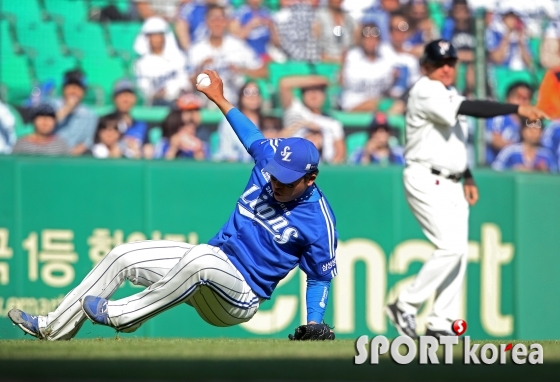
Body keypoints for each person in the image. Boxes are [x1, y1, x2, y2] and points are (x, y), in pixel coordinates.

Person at [7, 70, 338, 342]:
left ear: (311, 179)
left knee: (201, 257)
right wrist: (220, 98)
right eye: (276, 173)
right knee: (124, 255)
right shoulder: (270, 159)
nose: (277, 181)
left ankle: (122, 315)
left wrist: (313, 323)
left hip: (240, 296)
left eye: (288, 179)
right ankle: (53, 328)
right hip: (208, 267)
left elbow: (319, 277)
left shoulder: (318, 220)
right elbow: (249, 134)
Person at [385, 39, 547, 338]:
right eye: (439, 63)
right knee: (451, 247)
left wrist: (468, 175)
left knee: (458, 252)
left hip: (453, 180)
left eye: (451, 62)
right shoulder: (425, 90)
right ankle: (405, 303)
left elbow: (453, 142)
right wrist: (517, 107)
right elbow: (472, 108)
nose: (446, 68)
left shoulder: (448, 93)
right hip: (425, 176)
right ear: (425, 67)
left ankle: (440, 321)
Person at [188, 4, 267, 106]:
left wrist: (242, 70)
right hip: (207, 105)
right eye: (214, 20)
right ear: (206, 22)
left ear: (226, 22)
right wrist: (200, 69)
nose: (217, 24)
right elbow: (188, 82)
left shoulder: (238, 46)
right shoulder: (196, 50)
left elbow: (263, 71)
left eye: (221, 19)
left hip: (235, 103)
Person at [280, 75, 345, 164]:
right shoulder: (294, 109)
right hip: (292, 167)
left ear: (324, 95)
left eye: (318, 90)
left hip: (324, 169)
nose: (314, 94)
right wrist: (317, 80)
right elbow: (284, 84)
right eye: (309, 90)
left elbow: (340, 154)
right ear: (303, 94)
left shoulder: (333, 123)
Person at [134, 17, 191, 106]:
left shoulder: (178, 57)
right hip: (156, 104)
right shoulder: (140, 64)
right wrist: (157, 94)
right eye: (152, 35)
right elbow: (144, 90)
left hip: (180, 101)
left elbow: (185, 81)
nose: (156, 39)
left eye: (159, 35)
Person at [340, 23, 396, 112]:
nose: (371, 41)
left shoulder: (386, 57)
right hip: (353, 104)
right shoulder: (352, 56)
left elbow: (389, 88)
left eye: (374, 38)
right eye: (367, 37)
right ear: (362, 40)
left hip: (379, 104)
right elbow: (343, 82)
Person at [215, 81, 273, 163]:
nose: (252, 96)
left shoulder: (268, 123)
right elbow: (226, 152)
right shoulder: (230, 121)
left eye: (256, 92)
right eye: (247, 92)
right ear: (240, 97)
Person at [49, 70, 98, 156]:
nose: (73, 91)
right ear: (63, 88)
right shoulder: (51, 105)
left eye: (78, 87)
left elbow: (87, 142)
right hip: (49, 154)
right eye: (70, 86)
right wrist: (66, 109)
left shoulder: (90, 114)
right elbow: (43, 128)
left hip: (74, 159)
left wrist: (69, 156)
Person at [485, 82, 533, 165]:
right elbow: (496, 140)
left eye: (526, 99)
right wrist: (519, 148)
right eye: (519, 98)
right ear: (508, 99)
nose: (522, 102)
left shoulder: (529, 121)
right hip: (495, 167)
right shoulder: (499, 116)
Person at [101, 80, 151, 159]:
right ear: (114, 98)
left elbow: (147, 150)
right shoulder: (104, 122)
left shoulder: (142, 125)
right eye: (122, 96)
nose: (125, 100)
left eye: (129, 96)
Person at [154, 92, 210, 160]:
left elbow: (206, 167)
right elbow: (159, 166)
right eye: (189, 111)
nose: (192, 114)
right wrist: (173, 148)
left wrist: (198, 151)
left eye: (196, 110)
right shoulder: (166, 142)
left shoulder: (203, 137)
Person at [492, 120, 557, 173]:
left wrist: (546, 171)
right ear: (523, 131)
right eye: (530, 129)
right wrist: (512, 170)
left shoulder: (546, 155)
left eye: (537, 129)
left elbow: (555, 174)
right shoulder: (510, 152)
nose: (534, 133)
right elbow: (495, 170)